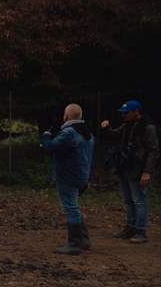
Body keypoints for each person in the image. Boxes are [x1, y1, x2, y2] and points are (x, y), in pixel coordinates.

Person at [101, 100, 158, 243]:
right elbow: (115, 134)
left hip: (138, 169)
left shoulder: (148, 127)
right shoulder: (127, 125)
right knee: (128, 200)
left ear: (136, 112)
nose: (124, 115)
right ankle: (130, 227)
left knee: (139, 200)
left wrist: (147, 171)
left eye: (127, 113)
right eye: (123, 113)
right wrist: (106, 128)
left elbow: (153, 151)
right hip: (125, 167)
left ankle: (140, 230)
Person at [41, 104, 94, 255]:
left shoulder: (69, 133)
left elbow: (50, 148)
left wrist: (45, 136)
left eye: (64, 114)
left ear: (67, 116)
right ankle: (83, 239)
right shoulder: (87, 133)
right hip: (82, 176)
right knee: (74, 206)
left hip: (67, 177)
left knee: (70, 208)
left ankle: (74, 243)